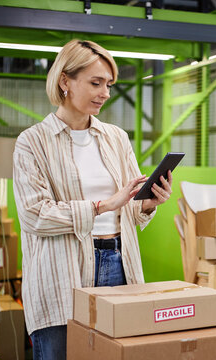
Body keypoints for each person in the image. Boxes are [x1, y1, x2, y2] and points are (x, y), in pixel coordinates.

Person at [13, 39, 173, 360]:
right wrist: (103, 206)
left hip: (118, 261)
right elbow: (35, 215)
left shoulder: (115, 137)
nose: (105, 93)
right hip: (62, 272)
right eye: (95, 83)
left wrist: (147, 203)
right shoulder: (32, 142)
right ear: (64, 81)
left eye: (109, 85)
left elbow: (129, 205)